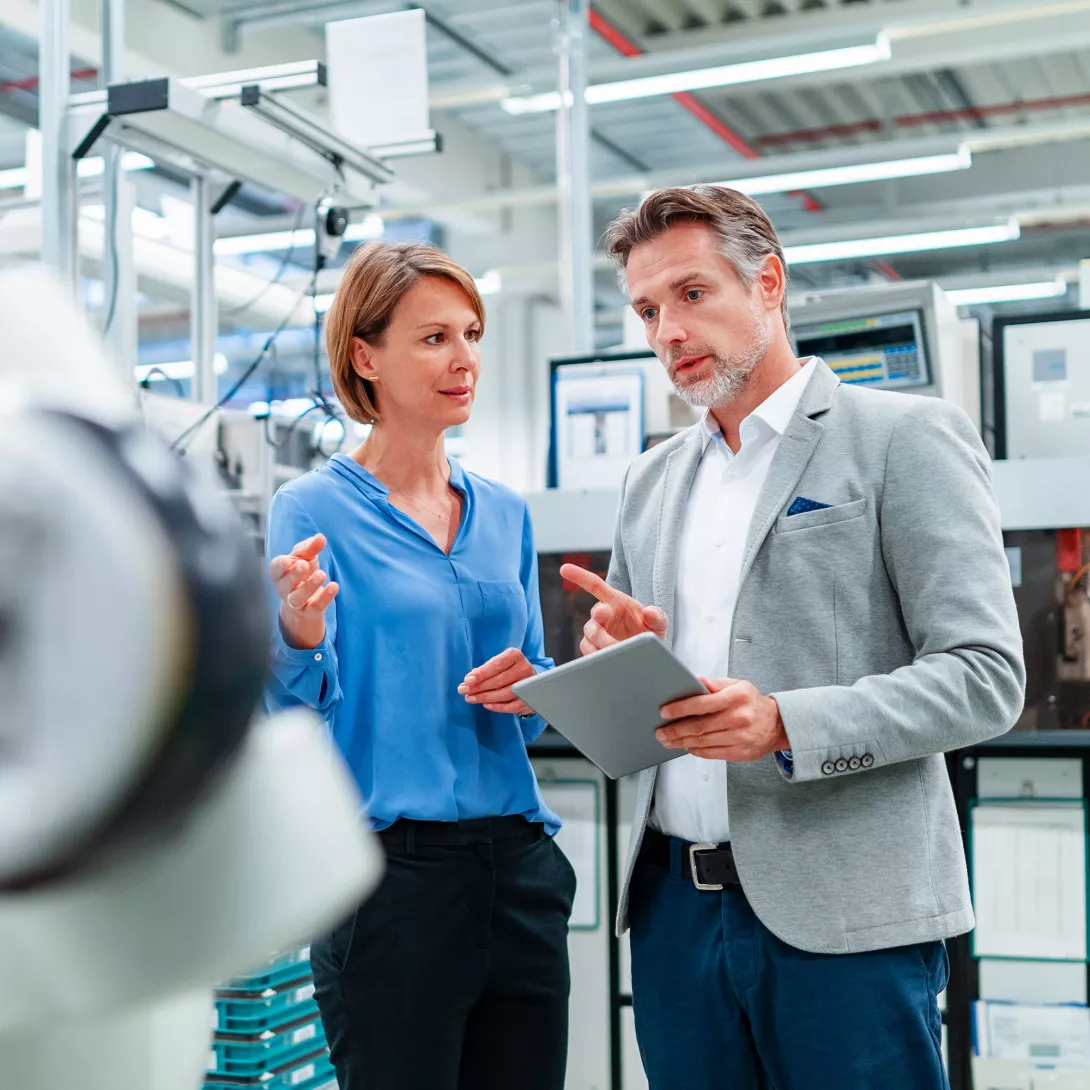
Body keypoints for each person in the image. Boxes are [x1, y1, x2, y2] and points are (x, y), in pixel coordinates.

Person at [562, 185, 1025, 1089]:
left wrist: (785, 724)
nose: (668, 332)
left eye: (694, 295)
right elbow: (647, 705)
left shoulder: (903, 439)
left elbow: (984, 676)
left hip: (846, 918)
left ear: (768, 283)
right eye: (649, 309)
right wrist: (612, 658)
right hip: (672, 912)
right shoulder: (651, 481)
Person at [264, 242, 575, 1090]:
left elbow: (536, 698)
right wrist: (295, 628)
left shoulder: (504, 513)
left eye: (471, 333)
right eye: (434, 338)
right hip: (390, 880)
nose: (465, 358)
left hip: (518, 871)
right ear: (366, 356)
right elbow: (290, 713)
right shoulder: (311, 507)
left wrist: (533, 687)